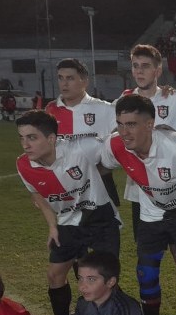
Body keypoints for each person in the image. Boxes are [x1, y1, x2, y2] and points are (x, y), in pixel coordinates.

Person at [98, 95, 176, 315]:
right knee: (146, 274)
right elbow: (101, 166)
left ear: (149, 124)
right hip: (151, 215)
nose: (124, 132)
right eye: (120, 124)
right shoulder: (115, 145)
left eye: (132, 124)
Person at [15, 109, 121, 315]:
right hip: (68, 222)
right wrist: (52, 226)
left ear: (51, 139)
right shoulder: (24, 165)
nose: (25, 144)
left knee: (104, 276)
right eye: (22, 138)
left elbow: (115, 143)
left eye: (32, 137)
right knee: (55, 274)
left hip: (100, 219)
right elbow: (37, 195)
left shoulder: (81, 149)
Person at [45, 58, 121, 206]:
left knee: (106, 226)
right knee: (68, 226)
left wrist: (105, 167)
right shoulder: (50, 111)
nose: (64, 83)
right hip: (65, 184)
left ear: (84, 81)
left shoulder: (105, 109)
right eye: (60, 78)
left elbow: (124, 142)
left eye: (70, 78)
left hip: (100, 182)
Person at [120, 44, 176, 131]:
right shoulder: (124, 100)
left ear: (158, 71)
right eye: (135, 66)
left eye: (145, 66)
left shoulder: (174, 98)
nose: (139, 71)